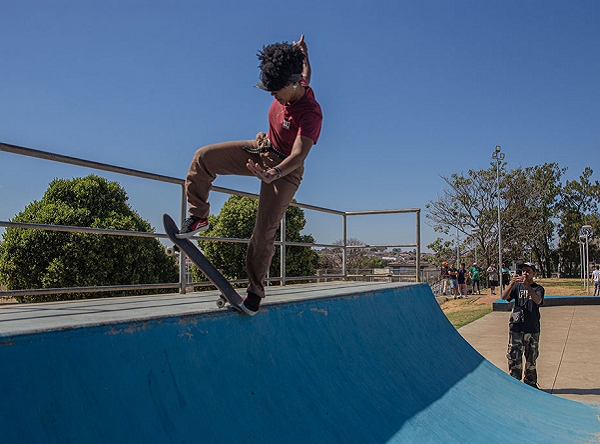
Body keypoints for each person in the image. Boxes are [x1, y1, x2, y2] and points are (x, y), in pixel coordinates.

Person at [178, 35, 322, 316]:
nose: (272, 96)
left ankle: (255, 292)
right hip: (260, 149)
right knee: (204, 157)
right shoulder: (298, 81)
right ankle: (199, 216)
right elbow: (306, 71)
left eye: (276, 90)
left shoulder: (311, 113)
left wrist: (274, 173)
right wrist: (304, 53)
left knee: (264, 231)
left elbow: (299, 155)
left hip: (285, 171)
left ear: (293, 85)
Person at [502, 262, 545, 389]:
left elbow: (538, 300)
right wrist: (511, 284)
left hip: (532, 329)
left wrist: (528, 286)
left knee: (531, 357)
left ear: (533, 274)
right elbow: (504, 297)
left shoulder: (538, 289)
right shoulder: (516, 287)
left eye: (528, 271)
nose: (525, 273)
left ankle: (530, 383)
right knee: (514, 356)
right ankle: (514, 382)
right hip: (517, 328)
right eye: (523, 271)